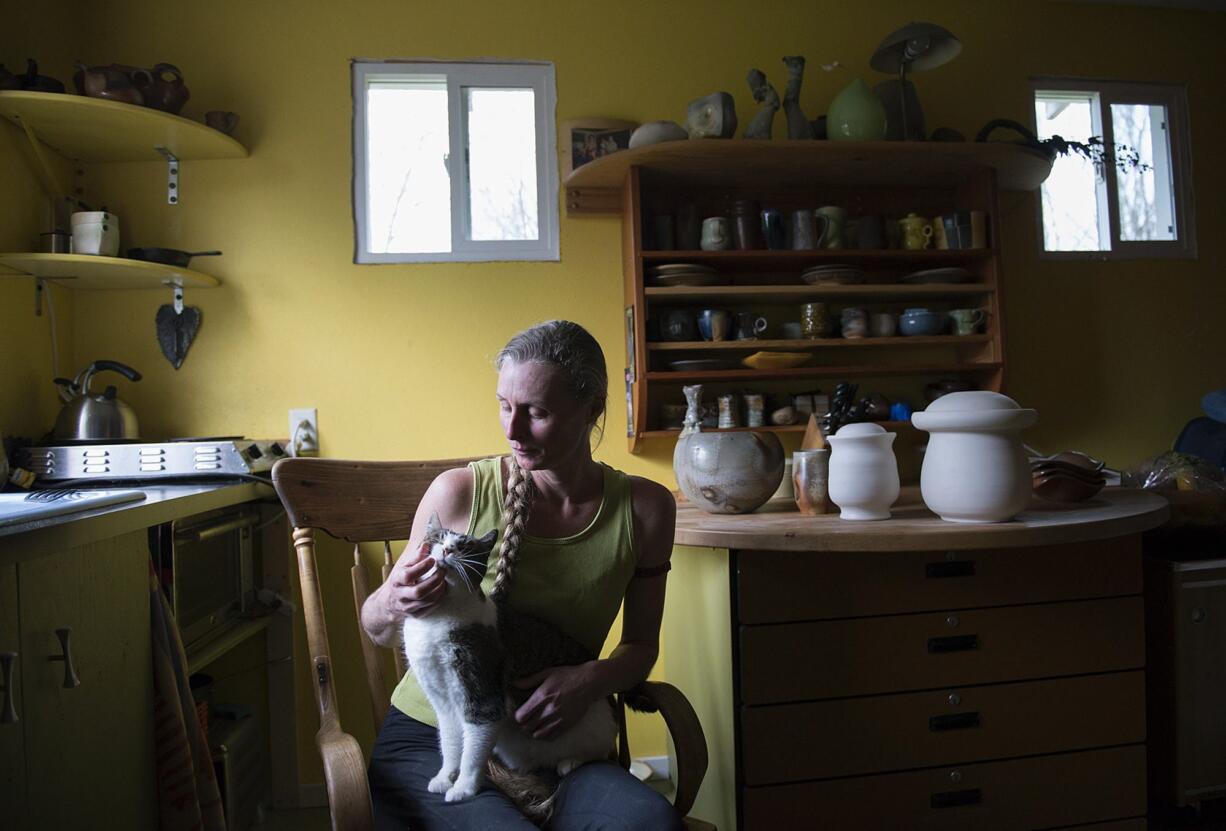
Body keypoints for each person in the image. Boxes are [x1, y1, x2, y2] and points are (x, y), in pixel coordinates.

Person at [361, 320, 682, 830]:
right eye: (505, 406)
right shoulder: (459, 492)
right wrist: (394, 600)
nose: (512, 430)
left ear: (592, 409)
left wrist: (586, 681)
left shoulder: (644, 509)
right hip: (433, 735)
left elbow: (641, 647)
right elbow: (377, 630)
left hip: (550, 740)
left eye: (537, 412)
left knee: (647, 823)